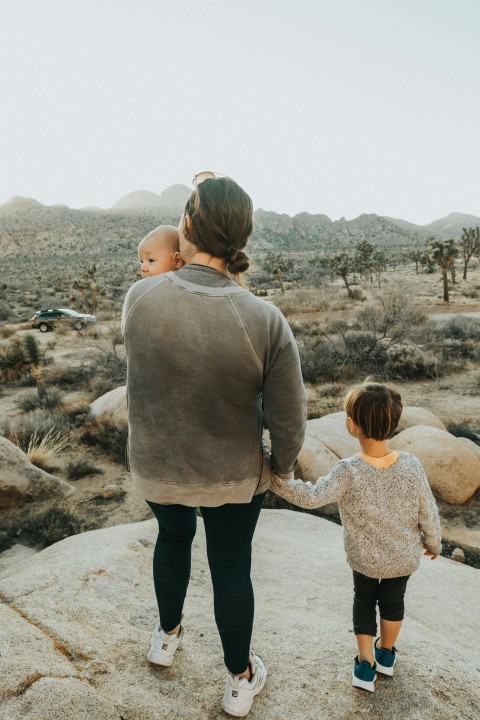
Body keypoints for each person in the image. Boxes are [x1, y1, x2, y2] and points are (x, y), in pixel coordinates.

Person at [122, 172, 306, 717]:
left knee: (172, 538)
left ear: (185, 226)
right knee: (231, 569)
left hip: (157, 468)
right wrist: (278, 466)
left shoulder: (139, 297)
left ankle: (166, 636)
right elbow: (290, 419)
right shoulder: (264, 320)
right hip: (232, 476)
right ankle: (239, 680)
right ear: (242, 239)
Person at [270, 381, 442, 693]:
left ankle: (365, 666)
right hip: (401, 558)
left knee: (363, 601)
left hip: (364, 559)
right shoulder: (412, 465)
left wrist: (277, 481)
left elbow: (311, 497)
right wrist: (434, 542)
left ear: (351, 426)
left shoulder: (347, 470)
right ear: (394, 424)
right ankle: (386, 654)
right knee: (394, 602)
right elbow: (427, 509)